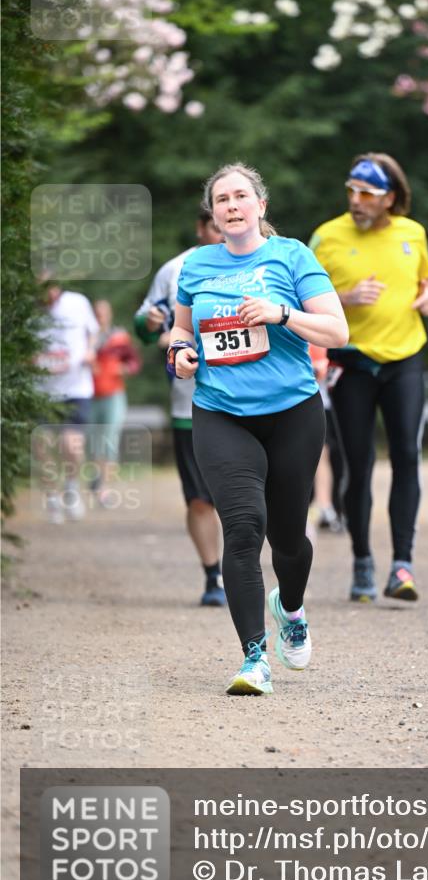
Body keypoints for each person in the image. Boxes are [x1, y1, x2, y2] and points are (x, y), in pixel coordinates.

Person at [169, 162, 348, 695]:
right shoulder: (198, 266)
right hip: (221, 411)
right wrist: (180, 352)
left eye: (240, 195)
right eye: (221, 199)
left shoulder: (292, 256)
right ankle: (254, 659)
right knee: (243, 527)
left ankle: (289, 607)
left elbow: (337, 330)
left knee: (288, 535)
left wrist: (280, 313)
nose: (231, 205)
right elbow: (181, 329)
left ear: (260, 206)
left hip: (292, 411)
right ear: (214, 214)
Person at [310, 153, 428, 603]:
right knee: (358, 463)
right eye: (351, 190)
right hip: (352, 363)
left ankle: (401, 565)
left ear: (389, 198)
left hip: (405, 358)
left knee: (407, 454)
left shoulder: (413, 234)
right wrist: (345, 296)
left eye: (366, 193)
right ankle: (362, 559)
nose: (356, 200)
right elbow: (300, 299)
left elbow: (427, 283)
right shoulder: (326, 237)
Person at [134, 211, 227, 607]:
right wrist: (150, 323)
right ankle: (214, 576)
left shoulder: (260, 263)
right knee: (200, 498)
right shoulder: (175, 270)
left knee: (246, 496)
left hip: (251, 402)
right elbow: (144, 323)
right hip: (189, 404)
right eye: (214, 226)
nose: (223, 233)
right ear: (200, 227)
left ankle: (248, 569)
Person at [35, 274, 99, 523]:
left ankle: (72, 488)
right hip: (40, 390)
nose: (48, 296)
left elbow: (93, 331)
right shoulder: (26, 309)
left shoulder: (77, 302)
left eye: (51, 289)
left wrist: (90, 350)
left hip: (76, 387)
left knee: (70, 446)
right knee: (42, 446)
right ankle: (52, 498)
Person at [89, 300, 142, 506]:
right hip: (91, 396)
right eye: (97, 313)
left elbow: (134, 362)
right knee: (92, 442)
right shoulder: (87, 338)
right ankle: (96, 477)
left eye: (103, 313)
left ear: (109, 315)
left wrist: (125, 369)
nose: (100, 317)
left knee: (110, 440)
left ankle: (104, 490)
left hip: (114, 395)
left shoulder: (119, 337)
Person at [308, 343, 345, 534]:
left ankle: (325, 505)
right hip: (299, 401)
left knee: (324, 453)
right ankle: (322, 505)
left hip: (322, 401)